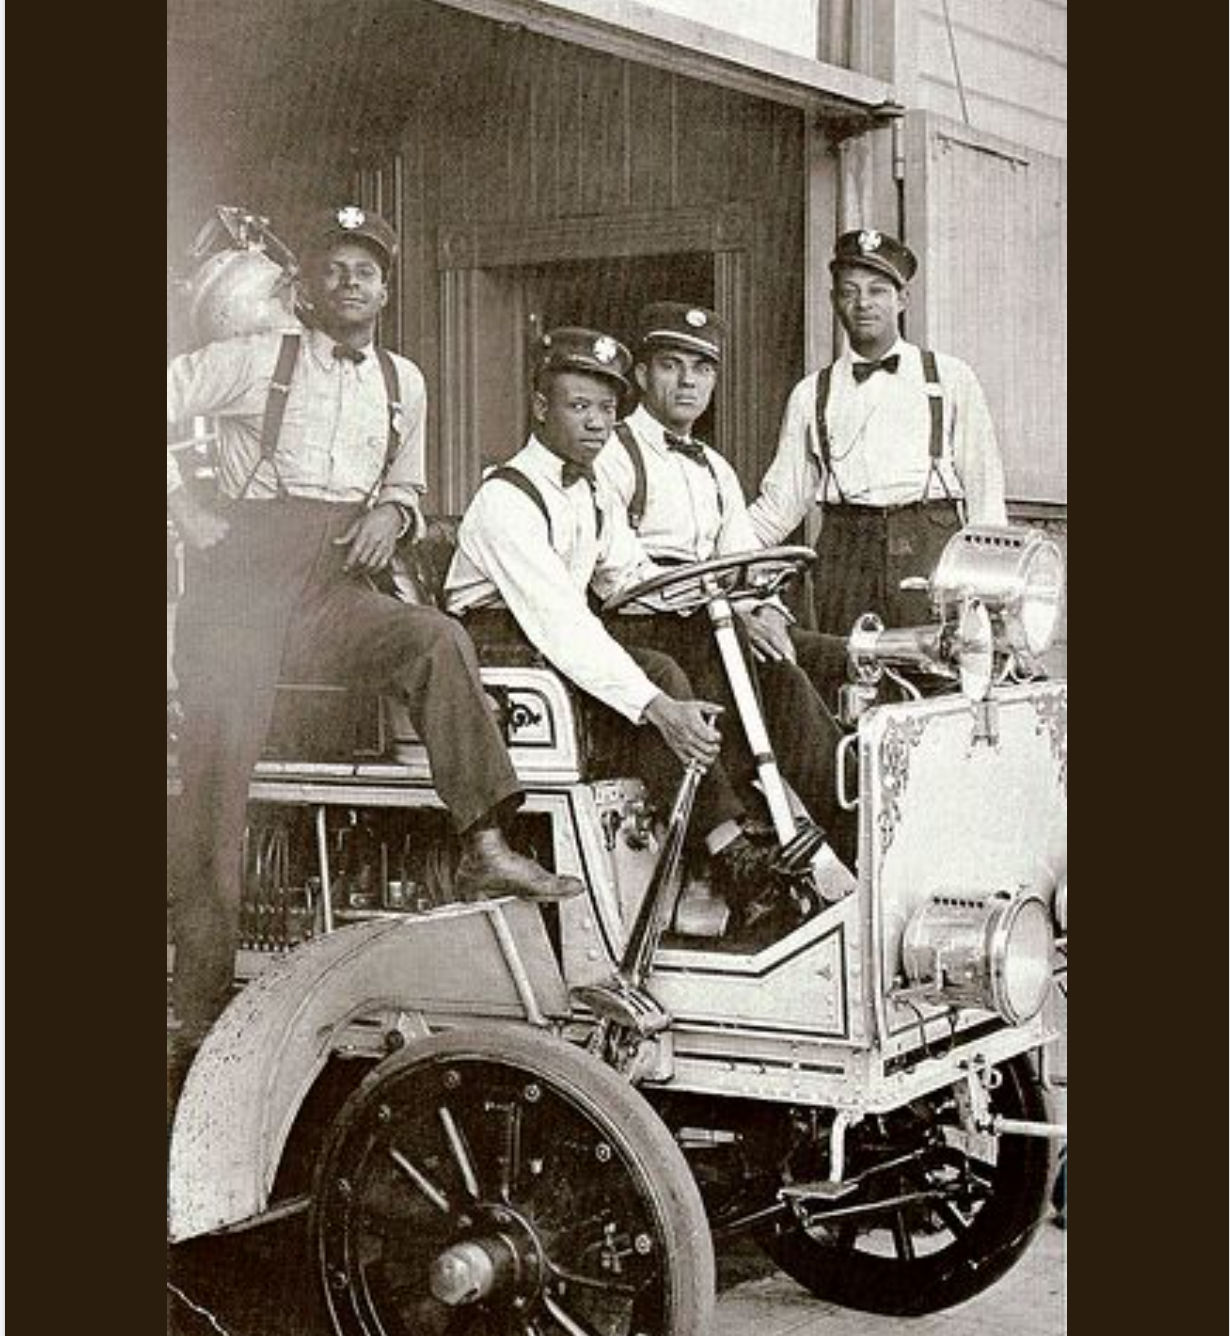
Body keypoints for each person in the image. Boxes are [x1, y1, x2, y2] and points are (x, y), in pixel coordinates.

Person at [167, 205, 581, 1055]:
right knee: (217, 788)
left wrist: (395, 510)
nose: (349, 283)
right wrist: (184, 509)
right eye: (333, 269)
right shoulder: (252, 359)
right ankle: (195, 1008)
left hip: (330, 588)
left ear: (386, 290)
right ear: (304, 286)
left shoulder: (405, 380)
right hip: (240, 590)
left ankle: (486, 841)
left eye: (366, 271)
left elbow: (410, 480)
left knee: (435, 639)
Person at [444, 327, 796, 922]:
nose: (597, 424)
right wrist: (657, 705)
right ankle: (722, 850)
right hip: (495, 647)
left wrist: (722, 603)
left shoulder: (593, 495)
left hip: (553, 633)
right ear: (540, 408)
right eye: (579, 407)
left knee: (708, 654)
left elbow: (629, 577)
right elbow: (558, 622)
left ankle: (738, 841)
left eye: (607, 409)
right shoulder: (506, 498)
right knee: (656, 671)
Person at [594, 301, 855, 867]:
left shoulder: (715, 467)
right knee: (750, 663)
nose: (688, 381)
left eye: (702, 369)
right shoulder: (610, 452)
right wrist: (727, 609)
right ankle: (733, 844)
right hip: (637, 625)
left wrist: (760, 610)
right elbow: (617, 577)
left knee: (796, 660)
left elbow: (743, 563)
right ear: (641, 374)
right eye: (671, 365)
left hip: (710, 619)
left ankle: (858, 826)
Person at [747, 228, 1008, 666]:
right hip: (844, 553)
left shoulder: (949, 378)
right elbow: (780, 504)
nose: (863, 303)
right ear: (834, 302)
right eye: (849, 292)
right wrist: (716, 554)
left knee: (937, 679)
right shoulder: (812, 392)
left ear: (902, 300)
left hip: (930, 549)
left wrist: (993, 595)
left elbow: (985, 491)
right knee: (845, 676)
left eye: (877, 291)